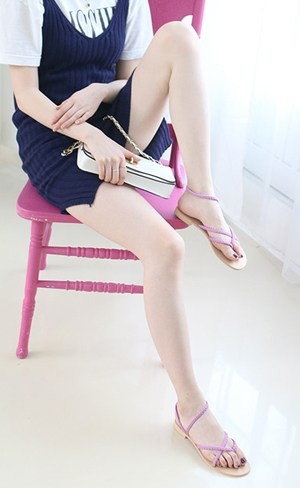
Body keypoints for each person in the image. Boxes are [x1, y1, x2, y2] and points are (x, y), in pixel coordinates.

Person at [0, 0, 249, 476]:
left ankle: (201, 193)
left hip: (116, 124)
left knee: (179, 37)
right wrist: (89, 136)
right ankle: (191, 407)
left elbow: (131, 80)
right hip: (56, 141)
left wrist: (98, 91)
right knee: (166, 247)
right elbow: (26, 95)